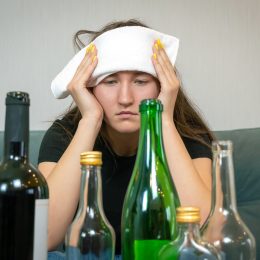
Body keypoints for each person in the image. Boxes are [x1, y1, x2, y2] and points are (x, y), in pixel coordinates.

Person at [38, 19, 214, 257]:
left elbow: (206, 234)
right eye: (110, 81)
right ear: (90, 88)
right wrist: (90, 119)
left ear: (163, 86)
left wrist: (162, 120)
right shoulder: (64, 135)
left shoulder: (187, 135)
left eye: (141, 81)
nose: (125, 98)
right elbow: (44, 236)